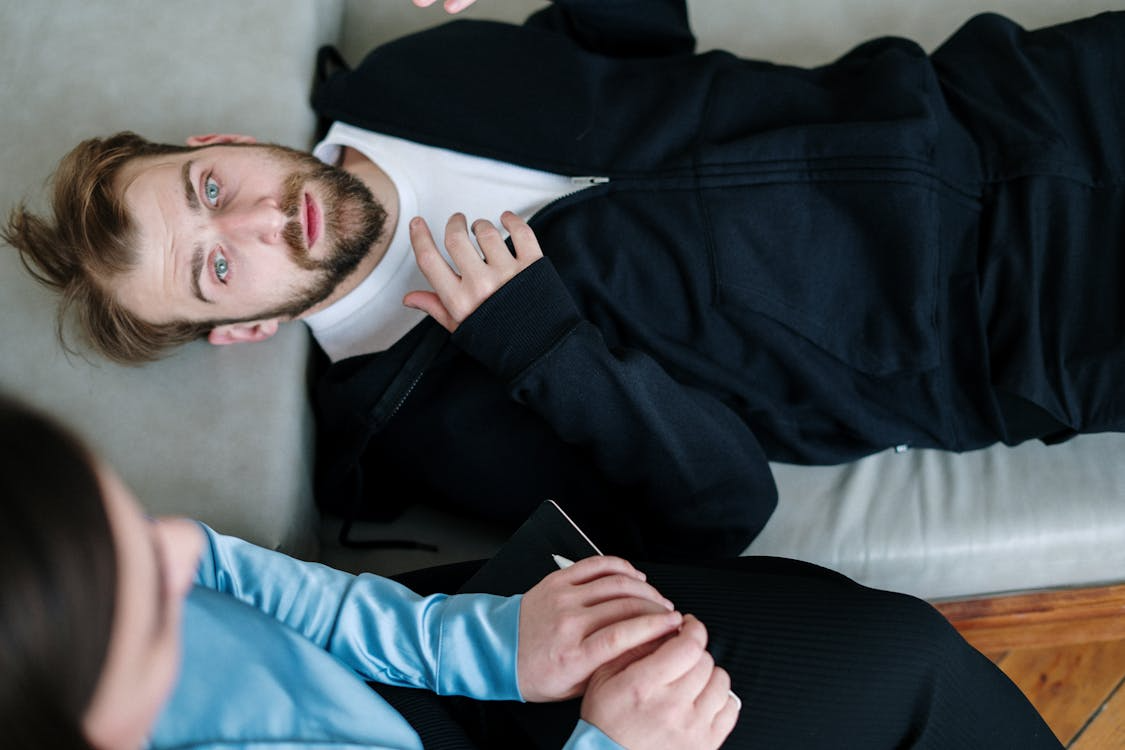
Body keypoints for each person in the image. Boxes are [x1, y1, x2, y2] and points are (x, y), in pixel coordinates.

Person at [6, 3, 1125, 559]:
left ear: (221, 138)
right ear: (240, 332)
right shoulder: (422, 417)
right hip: (1019, 325)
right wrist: (542, 345)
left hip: (1007, 99)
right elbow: (726, 510)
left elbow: (647, 51)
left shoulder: (410, 79)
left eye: (207, 188)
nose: (253, 219)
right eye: (214, 268)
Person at [0, 395, 1062, 749]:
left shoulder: (115, 568)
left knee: (890, 654)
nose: (167, 565)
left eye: (129, 520)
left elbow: (237, 578)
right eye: (147, 611)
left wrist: (483, 648)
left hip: (412, 683)